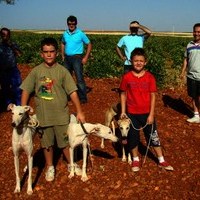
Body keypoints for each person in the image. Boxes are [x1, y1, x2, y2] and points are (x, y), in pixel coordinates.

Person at [20, 37, 85, 182]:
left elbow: (72, 92)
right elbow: (26, 90)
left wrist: (79, 111)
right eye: (45, 52)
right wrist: (23, 109)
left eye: (52, 51)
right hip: (43, 116)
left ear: (56, 53)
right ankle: (50, 166)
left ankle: (71, 164)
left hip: (61, 115)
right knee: (46, 143)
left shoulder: (62, 71)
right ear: (41, 53)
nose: (49, 54)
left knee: (65, 142)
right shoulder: (36, 71)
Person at [119, 48, 173, 172]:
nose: (138, 63)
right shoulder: (127, 77)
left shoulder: (150, 77)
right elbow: (123, 94)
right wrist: (123, 111)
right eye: (135, 61)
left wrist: (151, 114)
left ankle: (161, 159)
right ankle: (135, 159)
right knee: (133, 137)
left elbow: (153, 96)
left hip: (147, 113)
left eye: (141, 61)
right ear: (131, 61)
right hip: (132, 113)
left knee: (153, 136)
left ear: (145, 62)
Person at [61, 15, 92, 104]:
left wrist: (86, 57)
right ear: (67, 24)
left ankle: (83, 98)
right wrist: (62, 55)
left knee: (79, 78)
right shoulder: (65, 33)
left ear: (76, 23)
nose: (71, 25)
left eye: (73, 24)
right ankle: (67, 96)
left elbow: (89, 44)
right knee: (66, 78)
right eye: (69, 24)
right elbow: (62, 43)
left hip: (77, 58)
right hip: (67, 58)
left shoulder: (80, 33)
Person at [180, 23, 200, 123]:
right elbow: (186, 59)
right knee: (194, 95)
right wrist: (183, 71)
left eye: (199, 32)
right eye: (195, 31)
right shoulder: (189, 45)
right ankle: (196, 115)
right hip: (191, 75)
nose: (196, 33)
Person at [0, 27, 22, 110]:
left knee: (17, 86)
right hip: (3, 70)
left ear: (9, 36)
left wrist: (11, 46)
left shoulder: (13, 44)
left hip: (13, 69)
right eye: (3, 35)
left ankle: (19, 103)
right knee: (5, 87)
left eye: (7, 35)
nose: (5, 37)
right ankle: (8, 103)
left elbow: (19, 54)